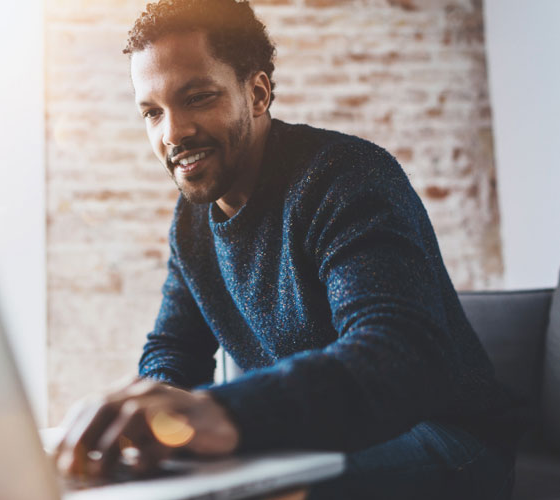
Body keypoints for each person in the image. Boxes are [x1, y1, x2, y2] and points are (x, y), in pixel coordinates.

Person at [55, 1, 525, 498]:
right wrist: (153, 415)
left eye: (197, 97)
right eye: (152, 112)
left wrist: (222, 411)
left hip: (447, 437)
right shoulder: (193, 219)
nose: (172, 133)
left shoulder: (346, 178)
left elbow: (398, 355)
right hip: (314, 438)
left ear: (256, 93)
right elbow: (175, 348)